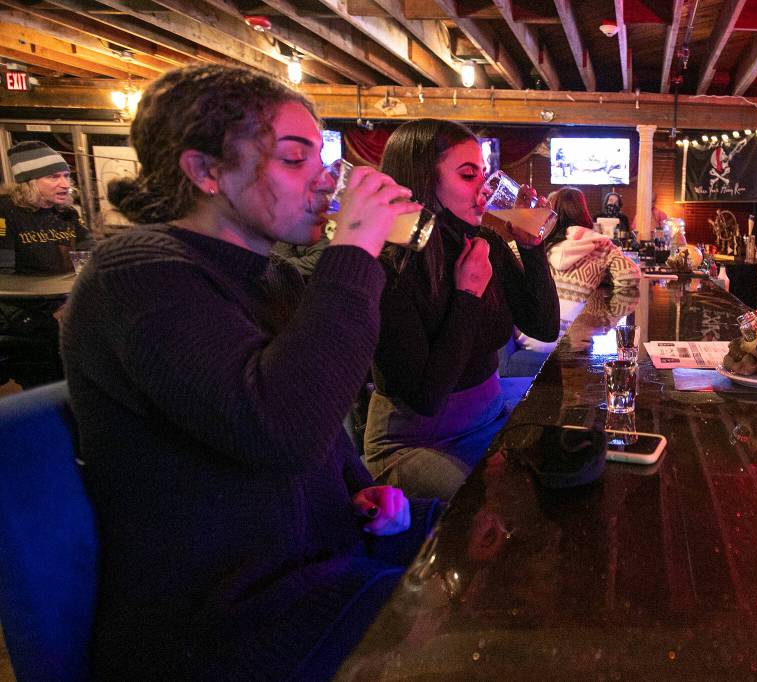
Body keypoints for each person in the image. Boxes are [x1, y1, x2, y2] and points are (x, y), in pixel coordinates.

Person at [60, 64, 437, 679]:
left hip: (316, 572)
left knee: (505, 547)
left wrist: (358, 492)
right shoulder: (137, 271)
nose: (325, 180)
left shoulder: (276, 276)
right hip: (223, 627)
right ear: (205, 171)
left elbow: (319, 425)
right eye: (294, 159)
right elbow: (281, 428)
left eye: (322, 158)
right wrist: (353, 249)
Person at [364, 118, 560, 500]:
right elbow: (427, 398)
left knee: (561, 472)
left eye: (484, 175)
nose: (484, 190)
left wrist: (532, 248)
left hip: (488, 420)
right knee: (481, 504)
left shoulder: (485, 242)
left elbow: (544, 326)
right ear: (422, 180)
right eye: (469, 175)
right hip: (415, 442)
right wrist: (467, 295)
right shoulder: (388, 266)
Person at [512, 186, 641, 363]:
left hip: (530, 338)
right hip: (575, 342)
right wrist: (605, 318)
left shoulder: (533, 241)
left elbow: (506, 257)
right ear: (584, 212)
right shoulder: (599, 244)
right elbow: (629, 277)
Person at [0, 141, 93, 275]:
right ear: (30, 183)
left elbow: (89, 249)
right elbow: (4, 273)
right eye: (54, 177)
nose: (65, 184)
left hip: (65, 287)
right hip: (27, 288)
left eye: (66, 176)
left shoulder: (68, 212)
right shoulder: (6, 211)